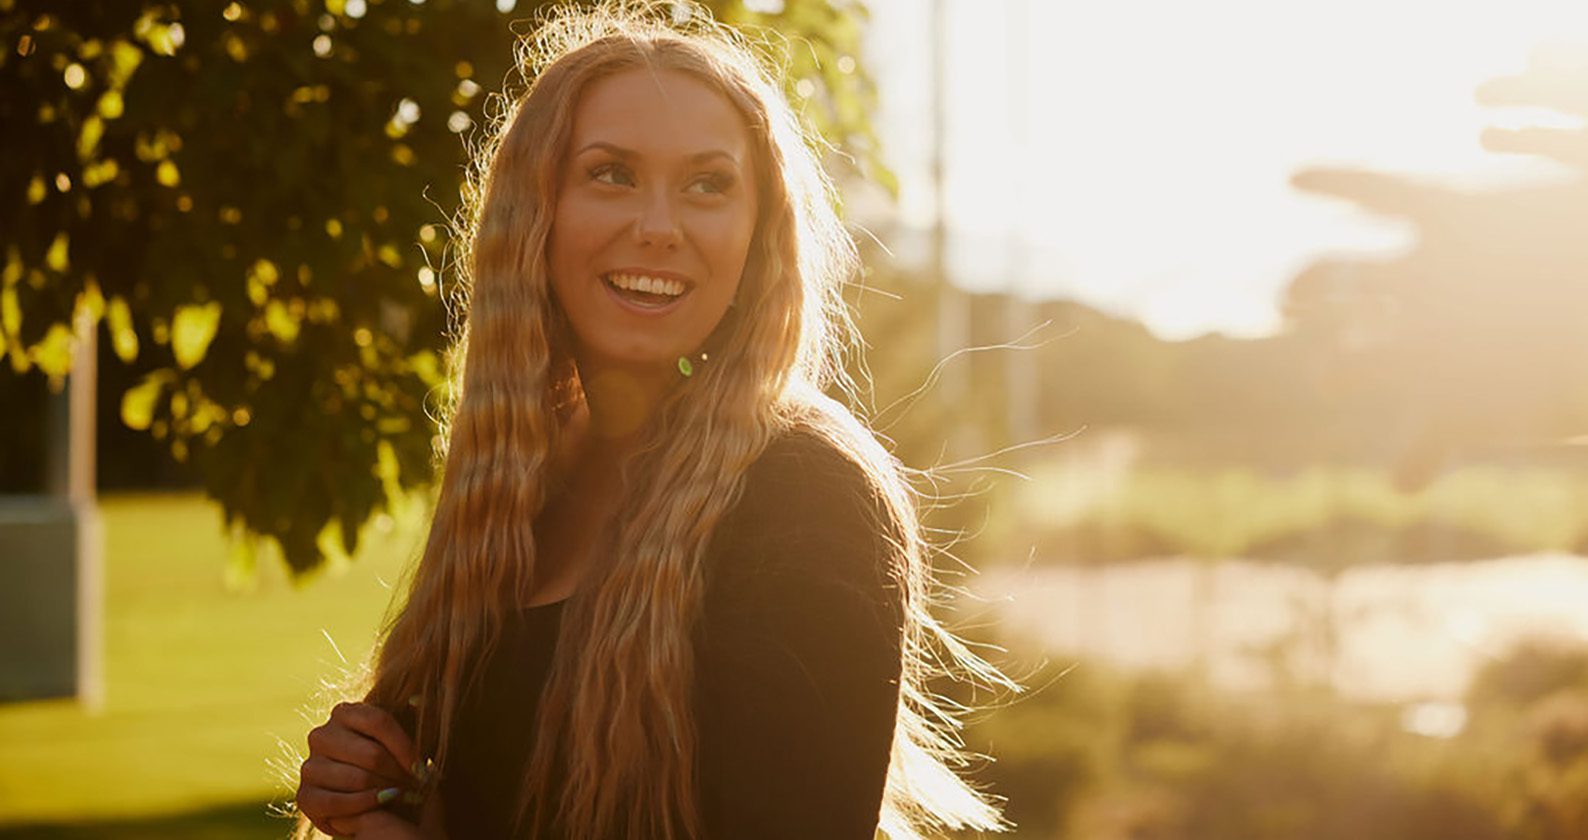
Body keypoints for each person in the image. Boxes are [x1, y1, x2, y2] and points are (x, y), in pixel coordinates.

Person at [293, 2, 1011, 838]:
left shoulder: (803, 494)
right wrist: (383, 790)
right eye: (612, 174)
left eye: (708, 185)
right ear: (537, 214)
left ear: (757, 239)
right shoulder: (516, 486)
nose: (659, 228)